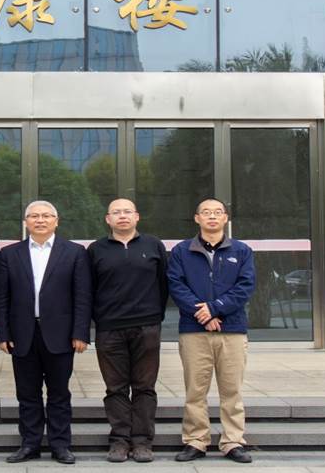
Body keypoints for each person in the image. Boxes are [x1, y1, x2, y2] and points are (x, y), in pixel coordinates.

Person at [0, 201, 92, 465]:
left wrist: (80, 332)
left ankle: (61, 445)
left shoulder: (74, 252)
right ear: (26, 222)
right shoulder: (9, 254)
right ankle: (30, 444)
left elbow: (82, 296)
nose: (40, 220)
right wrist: (2, 333)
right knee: (27, 394)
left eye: (46, 216)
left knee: (59, 393)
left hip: (61, 334)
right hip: (22, 334)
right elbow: (1, 297)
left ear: (56, 221)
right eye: (34, 216)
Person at [168, 198, 256, 464]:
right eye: (206, 212)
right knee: (195, 391)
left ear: (225, 218)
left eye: (218, 212)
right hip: (194, 331)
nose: (212, 216)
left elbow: (245, 286)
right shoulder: (182, 251)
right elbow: (176, 285)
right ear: (197, 218)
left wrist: (215, 309)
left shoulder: (241, 250)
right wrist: (202, 314)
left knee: (232, 391)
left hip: (232, 331)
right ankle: (196, 441)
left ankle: (233, 441)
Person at [87, 198, 168, 463]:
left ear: (137, 216)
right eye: (116, 212)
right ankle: (119, 441)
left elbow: (163, 284)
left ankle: (143, 442)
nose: (122, 216)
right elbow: (89, 290)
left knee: (145, 387)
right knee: (115, 388)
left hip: (147, 327)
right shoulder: (96, 249)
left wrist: (154, 317)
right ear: (108, 219)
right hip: (109, 329)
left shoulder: (153, 245)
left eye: (127, 212)